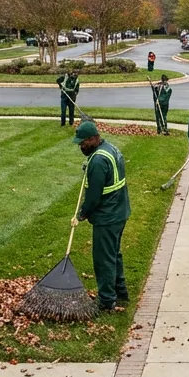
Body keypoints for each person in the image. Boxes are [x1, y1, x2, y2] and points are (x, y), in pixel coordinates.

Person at [73, 121, 132, 312]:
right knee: (114, 254)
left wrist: (82, 214)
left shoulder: (98, 161)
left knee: (103, 258)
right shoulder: (110, 148)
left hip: (108, 216)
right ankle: (120, 291)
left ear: (92, 139)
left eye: (82, 143)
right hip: (120, 211)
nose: (80, 146)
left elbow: (94, 197)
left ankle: (106, 300)